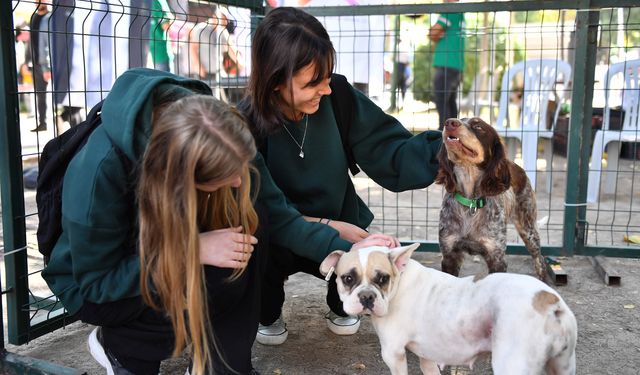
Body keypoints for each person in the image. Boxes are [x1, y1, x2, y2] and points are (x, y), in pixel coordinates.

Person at [41, 67, 395, 374]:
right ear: (178, 177)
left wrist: (354, 250)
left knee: (249, 234)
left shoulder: (220, 129)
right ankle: (124, 350)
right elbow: (97, 284)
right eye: (225, 177)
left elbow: (280, 216)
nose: (240, 181)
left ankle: (226, 366)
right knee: (202, 272)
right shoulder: (99, 172)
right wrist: (191, 249)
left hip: (167, 247)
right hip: (100, 283)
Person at [237, 7, 443, 346]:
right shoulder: (245, 125)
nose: (326, 89)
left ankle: (341, 302)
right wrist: (330, 227)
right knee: (257, 246)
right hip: (279, 233)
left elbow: (388, 149)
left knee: (353, 288)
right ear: (275, 82)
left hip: (342, 225)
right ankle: (267, 311)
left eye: (327, 77)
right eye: (311, 83)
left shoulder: (340, 97)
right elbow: (268, 212)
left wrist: (443, 155)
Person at [429, 0, 465, 130]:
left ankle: (442, 136)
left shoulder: (450, 10)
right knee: (450, 103)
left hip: (446, 64)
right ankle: (453, 135)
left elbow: (433, 33)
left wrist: (436, 34)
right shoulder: (460, 13)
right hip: (457, 65)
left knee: (442, 103)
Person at [28, 1, 51, 132]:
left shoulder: (50, 18)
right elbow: (31, 42)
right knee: (40, 95)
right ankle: (42, 123)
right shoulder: (34, 18)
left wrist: (47, 67)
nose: (39, 1)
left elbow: (48, 43)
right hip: (36, 63)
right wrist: (27, 61)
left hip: (48, 64)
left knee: (58, 94)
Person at [150, 0, 173, 72]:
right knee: (162, 80)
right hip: (158, 51)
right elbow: (166, 25)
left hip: (154, 51)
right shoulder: (156, 2)